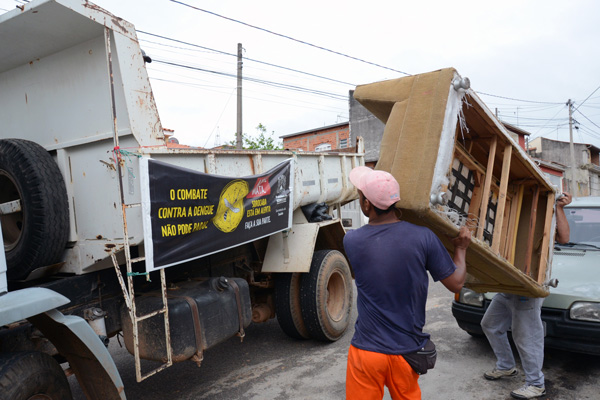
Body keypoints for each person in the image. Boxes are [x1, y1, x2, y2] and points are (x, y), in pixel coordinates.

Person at [344, 166, 472, 400]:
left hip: (366, 352)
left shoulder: (351, 240)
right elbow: (456, 283)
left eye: (361, 195)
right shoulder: (423, 237)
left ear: (366, 205)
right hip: (406, 352)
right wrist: (461, 249)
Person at [481, 192, 572, 399]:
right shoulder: (510, 212)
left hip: (528, 287)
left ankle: (536, 384)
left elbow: (565, 238)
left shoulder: (544, 214)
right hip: (507, 286)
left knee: (527, 337)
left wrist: (559, 208)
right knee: (490, 325)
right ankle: (506, 366)